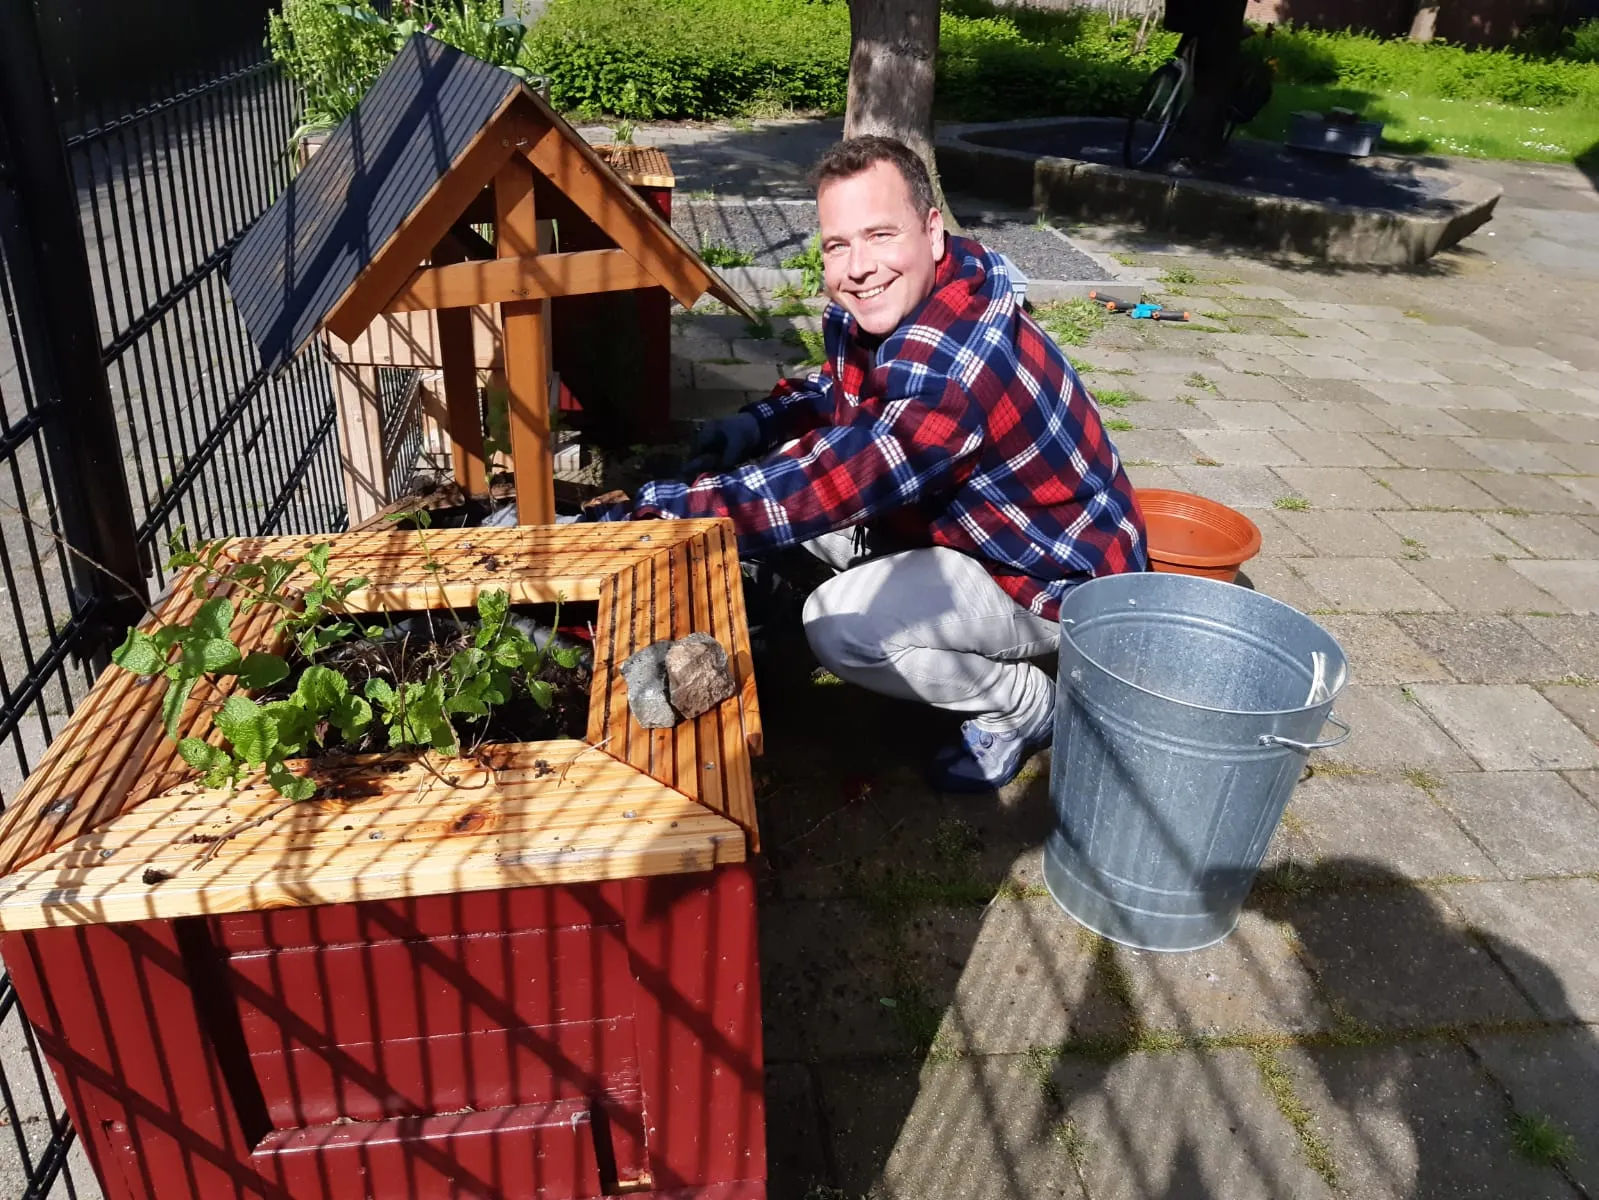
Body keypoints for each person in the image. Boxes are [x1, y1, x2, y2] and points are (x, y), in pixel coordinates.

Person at [590, 136, 1146, 791]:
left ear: (931, 231)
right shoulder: (917, 295)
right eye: (836, 245)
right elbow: (842, 389)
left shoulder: (952, 372)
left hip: (1047, 577)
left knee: (836, 624)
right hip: (974, 526)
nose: (857, 267)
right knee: (782, 481)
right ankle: (882, 600)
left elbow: (833, 479)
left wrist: (656, 511)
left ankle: (1021, 704)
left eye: (880, 235)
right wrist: (757, 422)